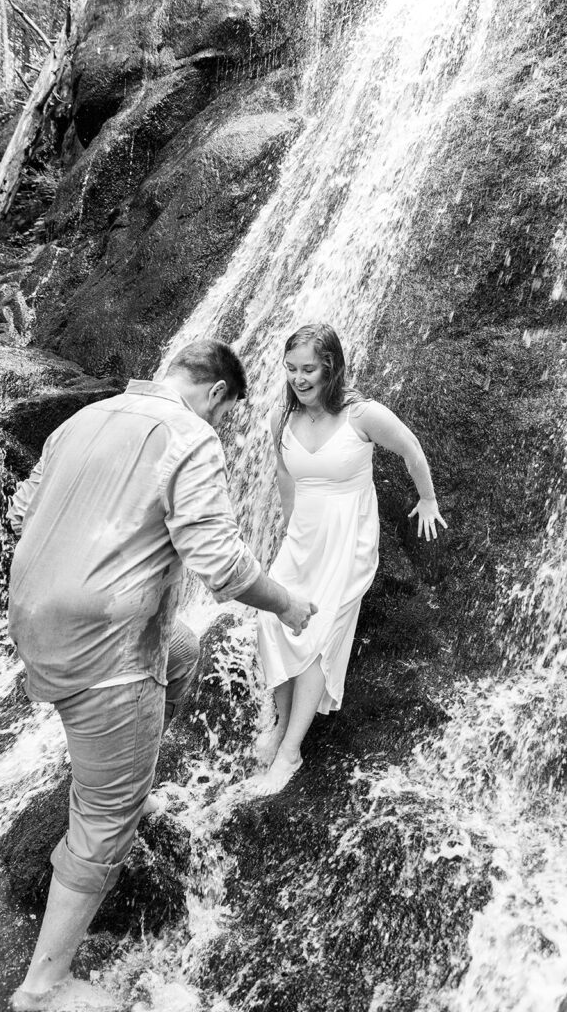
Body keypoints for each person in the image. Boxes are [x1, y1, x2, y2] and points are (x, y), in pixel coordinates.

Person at [6, 340, 316, 1011]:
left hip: (33, 620)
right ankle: (42, 987)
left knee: (177, 648)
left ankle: (123, 778)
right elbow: (222, 565)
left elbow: (21, 512)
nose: (224, 426)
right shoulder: (190, 432)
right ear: (214, 394)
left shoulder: (85, 418)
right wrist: (289, 604)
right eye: (226, 414)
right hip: (105, 647)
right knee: (103, 822)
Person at [249, 323, 446, 796]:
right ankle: (278, 722)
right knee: (273, 622)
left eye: (309, 369)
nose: (299, 378)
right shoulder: (282, 418)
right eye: (292, 369)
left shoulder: (363, 414)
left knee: (318, 636)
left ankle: (291, 750)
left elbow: (411, 448)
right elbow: (284, 476)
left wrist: (428, 499)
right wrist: (291, 533)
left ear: (331, 367)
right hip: (304, 538)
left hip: (348, 539)